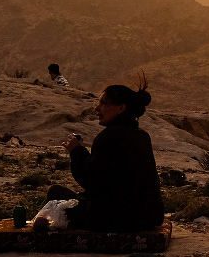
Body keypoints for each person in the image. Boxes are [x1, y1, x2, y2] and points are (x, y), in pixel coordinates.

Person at [49, 81, 164, 232]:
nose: (97, 109)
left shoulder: (108, 137)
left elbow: (91, 181)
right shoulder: (142, 136)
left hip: (116, 218)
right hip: (148, 217)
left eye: (104, 103)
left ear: (121, 108)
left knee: (56, 192)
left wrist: (76, 151)